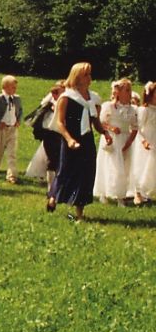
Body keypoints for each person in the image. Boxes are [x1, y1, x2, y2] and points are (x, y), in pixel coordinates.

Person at [47, 62, 112, 221]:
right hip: (70, 138)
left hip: (87, 139)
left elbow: (95, 121)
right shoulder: (67, 97)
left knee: (85, 173)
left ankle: (79, 213)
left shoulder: (94, 98)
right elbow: (60, 123)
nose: (90, 78)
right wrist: (69, 140)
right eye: (86, 75)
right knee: (65, 171)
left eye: (90, 74)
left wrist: (104, 132)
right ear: (77, 77)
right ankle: (53, 197)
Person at [94, 79, 138, 205]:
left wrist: (129, 142)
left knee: (124, 167)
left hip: (125, 139)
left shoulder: (132, 109)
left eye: (130, 90)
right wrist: (111, 128)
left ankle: (122, 195)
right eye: (127, 90)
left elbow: (135, 128)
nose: (130, 93)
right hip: (112, 140)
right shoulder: (109, 106)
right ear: (118, 93)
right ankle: (104, 193)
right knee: (111, 166)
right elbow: (101, 122)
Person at [25, 81, 65, 190]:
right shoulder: (50, 101)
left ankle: (58, 185)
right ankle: (50, 188)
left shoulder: (67, 101)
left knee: (59, 160)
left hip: (62, 134)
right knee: (52, 160)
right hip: (49, 132)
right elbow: (42, 109)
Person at [0, 75, 23, 183]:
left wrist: (18, 120)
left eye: (15, 87)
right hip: (0, 130)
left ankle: (12, 176)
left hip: (12, 129)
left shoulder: (17, 99)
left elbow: (20, 111)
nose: (15, 89)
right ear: (5, 87)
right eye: (12, 87)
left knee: (12, 153)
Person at [132, 81, 156, 205]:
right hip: (145, 140)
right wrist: (143, 141)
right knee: (141, 165)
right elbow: (138, 128)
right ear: (150, 95)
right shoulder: (144, 110)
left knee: (151, 167)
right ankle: (137, 193)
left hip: (154, 140)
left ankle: (147, 192)